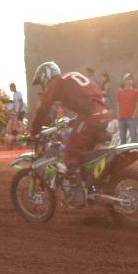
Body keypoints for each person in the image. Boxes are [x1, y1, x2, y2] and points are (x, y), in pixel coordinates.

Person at [30, 61, 111, 207]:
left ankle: (78, 195)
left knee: (70, 153)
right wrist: (76, 120)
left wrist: (35, 130)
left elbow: (43, 108)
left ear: (46, 75)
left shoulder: (55, 82)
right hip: (104, 113)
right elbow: (93, 98)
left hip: (90, 116)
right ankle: (93, 186)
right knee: (84, 154)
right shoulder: (72, 77)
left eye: (42, 80)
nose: (43, 84)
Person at [115, 74, 138, 144]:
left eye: (130, 79)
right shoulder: (120, 92)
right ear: (124, 81)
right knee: (122, 139)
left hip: (131, 118)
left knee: (134, 138)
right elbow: (118, 104)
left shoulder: (135, 92)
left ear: (132, 81)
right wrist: (118, 116)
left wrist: (133, 115)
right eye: (127, 79)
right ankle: (124, 154)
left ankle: (134, 153)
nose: (129, 81)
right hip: (121, 118)